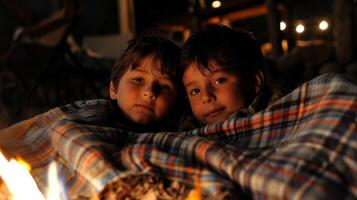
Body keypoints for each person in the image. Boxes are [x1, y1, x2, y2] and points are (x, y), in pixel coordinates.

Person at [180, 24, 286, 126]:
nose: (206, 97)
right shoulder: (186, 134)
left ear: (254, 82)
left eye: (219, 81)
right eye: (195, 91)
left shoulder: (283, 111)